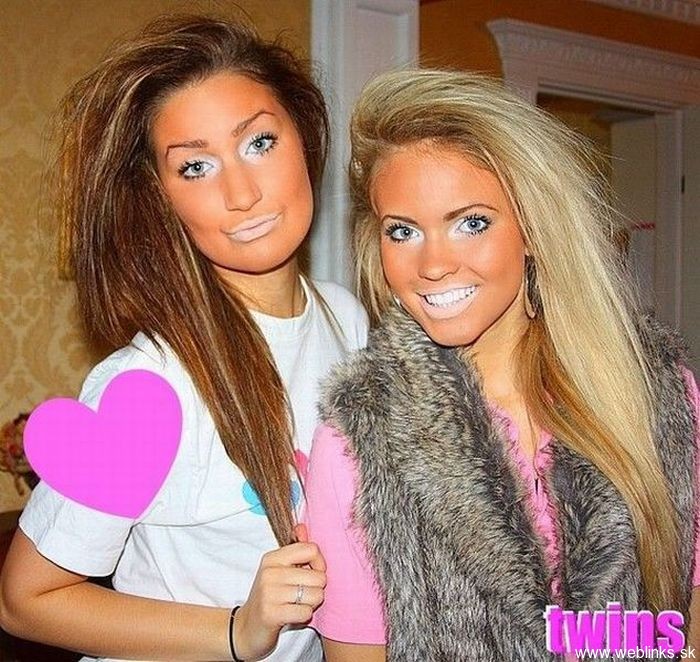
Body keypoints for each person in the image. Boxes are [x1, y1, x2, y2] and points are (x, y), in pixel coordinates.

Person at [0, 15, 367, 662]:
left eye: (259, 143)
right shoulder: (150, 389)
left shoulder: (345, 318)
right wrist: (236, 630)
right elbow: (27, 600)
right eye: (195, 167)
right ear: (161, 198)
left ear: (305, 139)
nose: (242, 192)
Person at [304, 69, 700, 662]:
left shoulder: (659, 391)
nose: (433, 264)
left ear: (533, 228)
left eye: (471, 223)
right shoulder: (357, 441)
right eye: (403, 231)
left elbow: (688, 614)